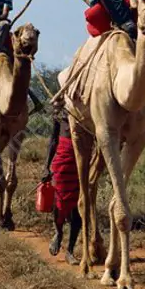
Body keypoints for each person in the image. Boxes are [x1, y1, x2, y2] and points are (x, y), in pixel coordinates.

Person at [41, 97, 81, 264]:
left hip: (81, 163)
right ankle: (58, 232)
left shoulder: (89, 114)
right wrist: (46, 166)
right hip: (63, 162)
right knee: (59, 205)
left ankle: (70, 251)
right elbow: (53, 141)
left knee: (78, 208)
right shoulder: (61, 113)